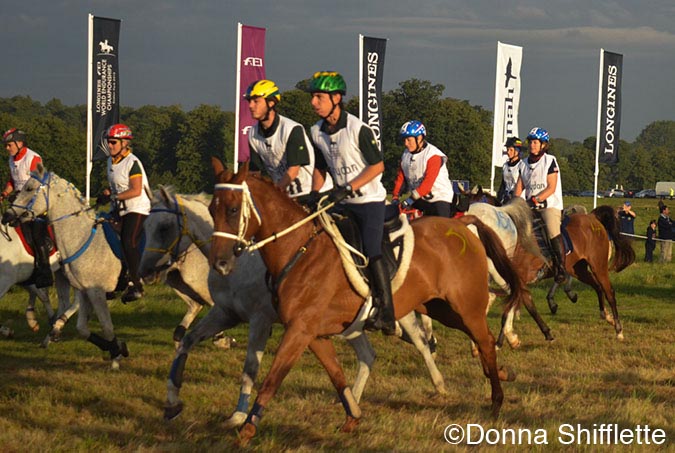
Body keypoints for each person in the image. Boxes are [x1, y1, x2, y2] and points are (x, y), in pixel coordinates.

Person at [307, 71, 395, 335]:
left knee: (371, 250)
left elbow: (378, 166)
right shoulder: (315, 131)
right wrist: (314, 194)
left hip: (369, 201)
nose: (313, 102)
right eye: (313, 97)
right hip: (343, 202)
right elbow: (320, 168)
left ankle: (388, 313)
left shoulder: (358, 129)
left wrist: (346, 188)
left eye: (319, 97)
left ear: (336, 98)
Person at [245, 79, 330, 203]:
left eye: (256, 101)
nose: (250, 105)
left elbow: (293, 170)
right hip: (285, 197)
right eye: (249, 101)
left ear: (271, 103)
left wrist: (272, 195)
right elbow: (254, 172)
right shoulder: (252, 133)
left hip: (313, 193)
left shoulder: (291, 129)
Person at [97, 124, 151, 302]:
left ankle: (137, 285)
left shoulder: (132, 162)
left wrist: (113, 196)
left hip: (137, 207)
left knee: (129, 242)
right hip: (120, 207)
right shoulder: (110, 162)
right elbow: (117, 187)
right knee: (102, 234)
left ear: (124, 143)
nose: (109, 146)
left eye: (113, 142)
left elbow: (135, 190)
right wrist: (107, 193)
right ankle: (117, 282)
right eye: (108, 142)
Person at [1, 128, 53, 288]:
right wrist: (4, 193)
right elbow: (12, 181)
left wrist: (22, 196)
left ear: (19, 143)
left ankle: (44, 272)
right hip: (19, 203)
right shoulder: (12, 159)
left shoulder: (33, 158)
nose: (7, 148)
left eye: (9, 145)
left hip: (35, 204)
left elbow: (39, 182)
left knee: (36, 235)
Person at [514, 127, 567, 283]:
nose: (532, 145)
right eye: (531, 142)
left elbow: (551, 187)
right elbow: (519, 188)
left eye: (536, 142)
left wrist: (536, 199)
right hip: (530, 207)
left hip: (549, 205)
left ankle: (560, 267)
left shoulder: (550, 161)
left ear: (543, 145)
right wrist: (514, 203)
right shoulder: (523, 164)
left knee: (551, 229)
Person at [391, 120, 455, 217]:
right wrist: (395, 197)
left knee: (441, 227)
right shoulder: (406, 155)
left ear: (419, 138)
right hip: (420, 198)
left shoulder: (433, 156)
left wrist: (409, 200)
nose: (406, 143)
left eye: (409, 140)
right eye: (404, 140)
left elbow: (427, 184)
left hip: (439, 198)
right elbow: (401, 178)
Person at [496, 136, 524, 205]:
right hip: (506, 198)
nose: (508, 152)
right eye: (507, 149)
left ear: (517, 151)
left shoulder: (522, 165)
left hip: (519, 199)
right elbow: (503, 184)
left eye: (511, 150)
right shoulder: (505, 165)